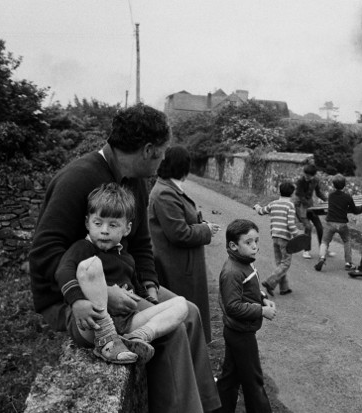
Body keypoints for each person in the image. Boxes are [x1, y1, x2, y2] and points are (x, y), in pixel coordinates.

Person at [29, 104, 221, 413]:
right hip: (69, 298)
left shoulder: (136, 182)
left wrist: (150, 286)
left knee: (192, 313)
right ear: (147, 150)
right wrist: (101, 293)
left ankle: (206, 405)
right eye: (160, 154)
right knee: (171, 333)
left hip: (125, 284)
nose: (162, 161)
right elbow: (43, 254)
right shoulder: (77, 178)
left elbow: (142, 243)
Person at [56, 183, 188, 364]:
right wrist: (78, 301)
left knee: (181, 304)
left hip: (127, 324)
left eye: (113, 225)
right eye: (98, 223)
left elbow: (140, 294)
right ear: (87, 223)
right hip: (91, 324)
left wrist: (154, 308)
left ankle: (139, 337)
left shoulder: (127, 259)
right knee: (91, 266)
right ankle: (106, 338)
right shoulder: (83, 248)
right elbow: (63, 271)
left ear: (127, 229)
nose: (104, 230)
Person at [148, 145, 220, 343]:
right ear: (182, 167)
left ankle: (196, 359)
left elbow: (183, 222)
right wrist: (206, 230)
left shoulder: (169, 189)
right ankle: (194, 364)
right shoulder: (164, 193)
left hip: (183, 264)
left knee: (191, 317)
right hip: (177, 268)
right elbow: (179, 233)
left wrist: (202, 224)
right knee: (186, 318)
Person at [214, 219, 276, 413]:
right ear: (233, 245)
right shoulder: (232, 272)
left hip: (236, 332)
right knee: (253, 380)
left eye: (256, 241)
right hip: (241, 334)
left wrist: (263, 298)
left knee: (230, 377)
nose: (255, 246)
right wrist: (261, 310)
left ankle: (220, 408)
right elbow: (233, 306)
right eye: (248, 242)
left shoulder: (244, 263)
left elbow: (248, 291)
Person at [254, 181, 299, 296]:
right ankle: (270, 281)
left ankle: (284, 288)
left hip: (275, 237)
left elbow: (261, 211)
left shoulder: (273, 203)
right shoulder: (290, 205)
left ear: (280, 191)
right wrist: (298, 236)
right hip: (285, 238)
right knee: (285, 264)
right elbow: (290, 224)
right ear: (292, 193)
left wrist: (257, 206)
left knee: (280, 263)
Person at [314, 174, 362, 272]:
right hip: (342, 224)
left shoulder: (331, 196)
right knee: (347, 241)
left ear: (333, 185)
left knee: (325, 242)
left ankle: (322, 258)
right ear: (344, 185)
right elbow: (354, 210)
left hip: (330, 223)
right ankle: (348, 263)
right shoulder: (348, 197)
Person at [293, 163, 330, 259]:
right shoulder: (300, 181)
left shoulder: (316, 180)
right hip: (300, 206)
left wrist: (328, 200)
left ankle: (323, 249)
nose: (306, 177)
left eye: (309, 175)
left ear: (313, 175)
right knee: (308, 227)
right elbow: (300, 196)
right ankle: (306, 251)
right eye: (305, 174)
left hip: (310, 206)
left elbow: (318, 193)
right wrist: (309, 205)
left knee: (319, 227)